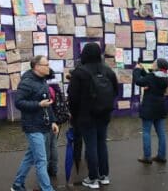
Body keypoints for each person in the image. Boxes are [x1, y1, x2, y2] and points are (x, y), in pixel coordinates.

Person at [68, 42, 118, 189]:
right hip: (104, 114)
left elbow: (73, 97)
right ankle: (104, 176)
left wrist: (74, 114)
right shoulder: (108, 71)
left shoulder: (79, 72)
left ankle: (93, 178)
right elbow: (115, 91)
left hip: (85, 115)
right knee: (102, 144)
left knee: (91, 146)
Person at [11, 55, 59, 191]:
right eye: (46, 64)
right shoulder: (26, 82)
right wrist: (38, 104)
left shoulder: (42, 80)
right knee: (41, 161)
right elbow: (18, 102)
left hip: (44, 125)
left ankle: (17, 184)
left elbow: (47, 104)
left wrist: (53, 121)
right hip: (32, 126)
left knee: (30, 157)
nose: (49, 67)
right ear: (37, 67)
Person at [134, 58, 168, 164]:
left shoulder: (152, 77)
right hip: (160, 107)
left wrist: (136, 70)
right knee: (161, 133)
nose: (153, 63)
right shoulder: (166, 77)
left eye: (154, 62)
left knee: (146, 132)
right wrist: (142, 70)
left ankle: (147, 157)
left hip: (149, 108)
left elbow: (139, 81)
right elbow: (150, 78)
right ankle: (161, 156)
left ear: (158, 66)